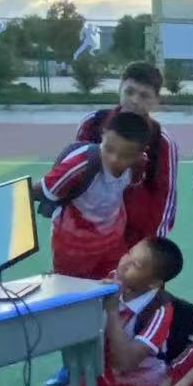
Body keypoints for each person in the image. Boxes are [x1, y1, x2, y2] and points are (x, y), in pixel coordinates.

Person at [44, 236, 183, 386]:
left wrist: (111, 311)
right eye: (128, 253)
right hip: (104, 376)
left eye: (136, 265)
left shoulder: (160, 311)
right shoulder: (113, 280)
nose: (124, 263)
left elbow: (125, 363)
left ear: (154, 283)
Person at [70, 62, 179, 244]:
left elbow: (165, 199)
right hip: (85, 235)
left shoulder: (162, 141)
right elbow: (73, 175)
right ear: (120, 89)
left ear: (156, 100)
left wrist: (150, 247)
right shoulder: (93, 124)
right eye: (129, 92)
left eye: (144, 95)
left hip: (132, 240)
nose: (135, 100)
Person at [40, 109, 151, 281]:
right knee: (72, 289)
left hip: (112, 241)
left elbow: (130, 186)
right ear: (103, 135)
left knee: (112, 287)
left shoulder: (139, 164)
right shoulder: (80, 165)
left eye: (125, 156)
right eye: (109, 149)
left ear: (140, 152)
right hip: (73, 246)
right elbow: (43, 189)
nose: (114, 159)